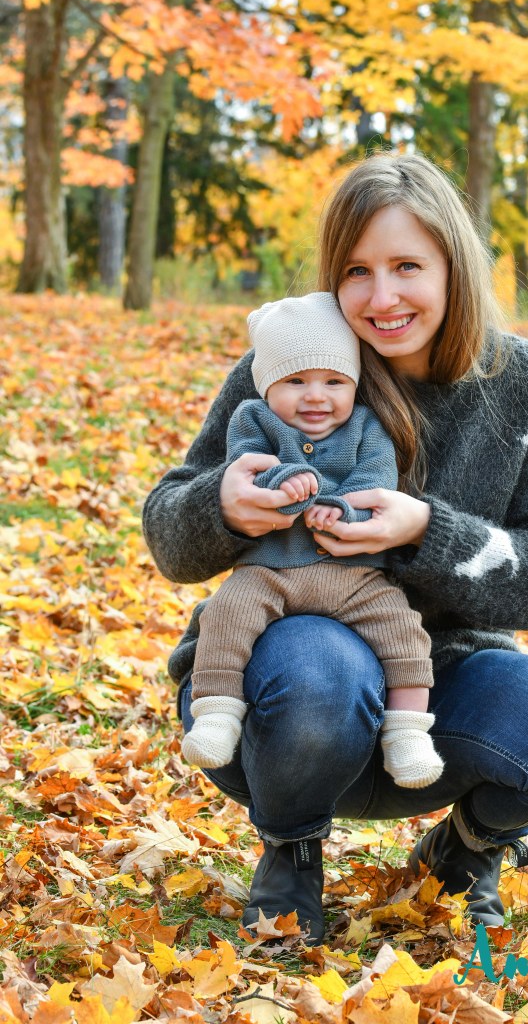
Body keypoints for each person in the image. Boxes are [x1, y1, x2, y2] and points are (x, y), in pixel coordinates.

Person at [143, 151, 528, 946]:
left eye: (407, 266)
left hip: (440, 695)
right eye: (357, 271)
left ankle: (465, 849)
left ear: (453, 266)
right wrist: (221, 505)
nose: (382, 297)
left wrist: (424, 532)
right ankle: (291, 847)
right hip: (279, 692)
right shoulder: (294, 363)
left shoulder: (523, 384)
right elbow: (169, 533)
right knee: (318, 665)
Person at [181, 291, 445, 791]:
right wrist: (282, 483)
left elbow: (377, 482)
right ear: (267, 385)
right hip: (270, 569)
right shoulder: (254, 419)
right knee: (227, 613)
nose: (316, 397)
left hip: (356, 578)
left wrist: (342, 507)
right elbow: (248, 469)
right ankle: (216, 712)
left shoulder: (367, 426)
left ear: (354, 383)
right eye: (296, 381)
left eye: (334, 382)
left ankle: (407, 732)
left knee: (404, 632)